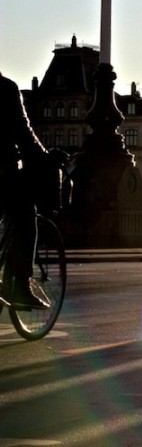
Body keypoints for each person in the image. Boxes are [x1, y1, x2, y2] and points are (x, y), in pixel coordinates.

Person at [0, 72, 52, 309]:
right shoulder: (5, 88)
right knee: (25, 215)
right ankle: (20, 286)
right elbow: (23, 132)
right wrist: (45, 157)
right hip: (2, 170)